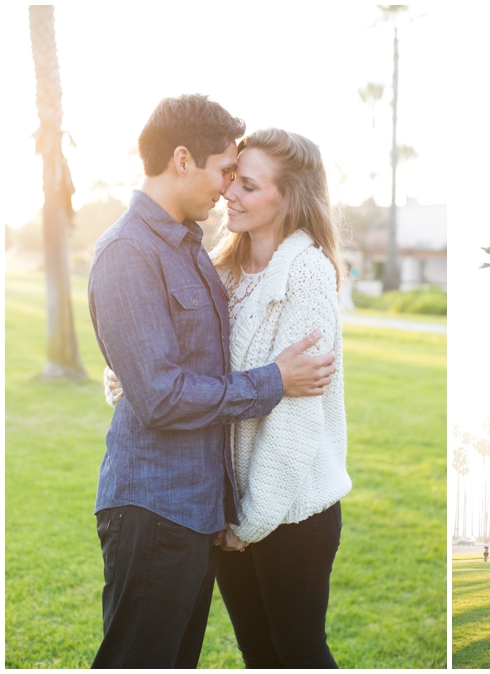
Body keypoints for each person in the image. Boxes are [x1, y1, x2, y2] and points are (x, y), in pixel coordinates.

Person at [88, 95, 336, 669]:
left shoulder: (191, 248)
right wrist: (273, 380)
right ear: (182, 160)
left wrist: (132, 372)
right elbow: (163, 395)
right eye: (226, 171)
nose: (226, 189)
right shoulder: (129, 251)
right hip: (154, 504)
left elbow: (188, 357)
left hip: (199, 511)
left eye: (241, 179)